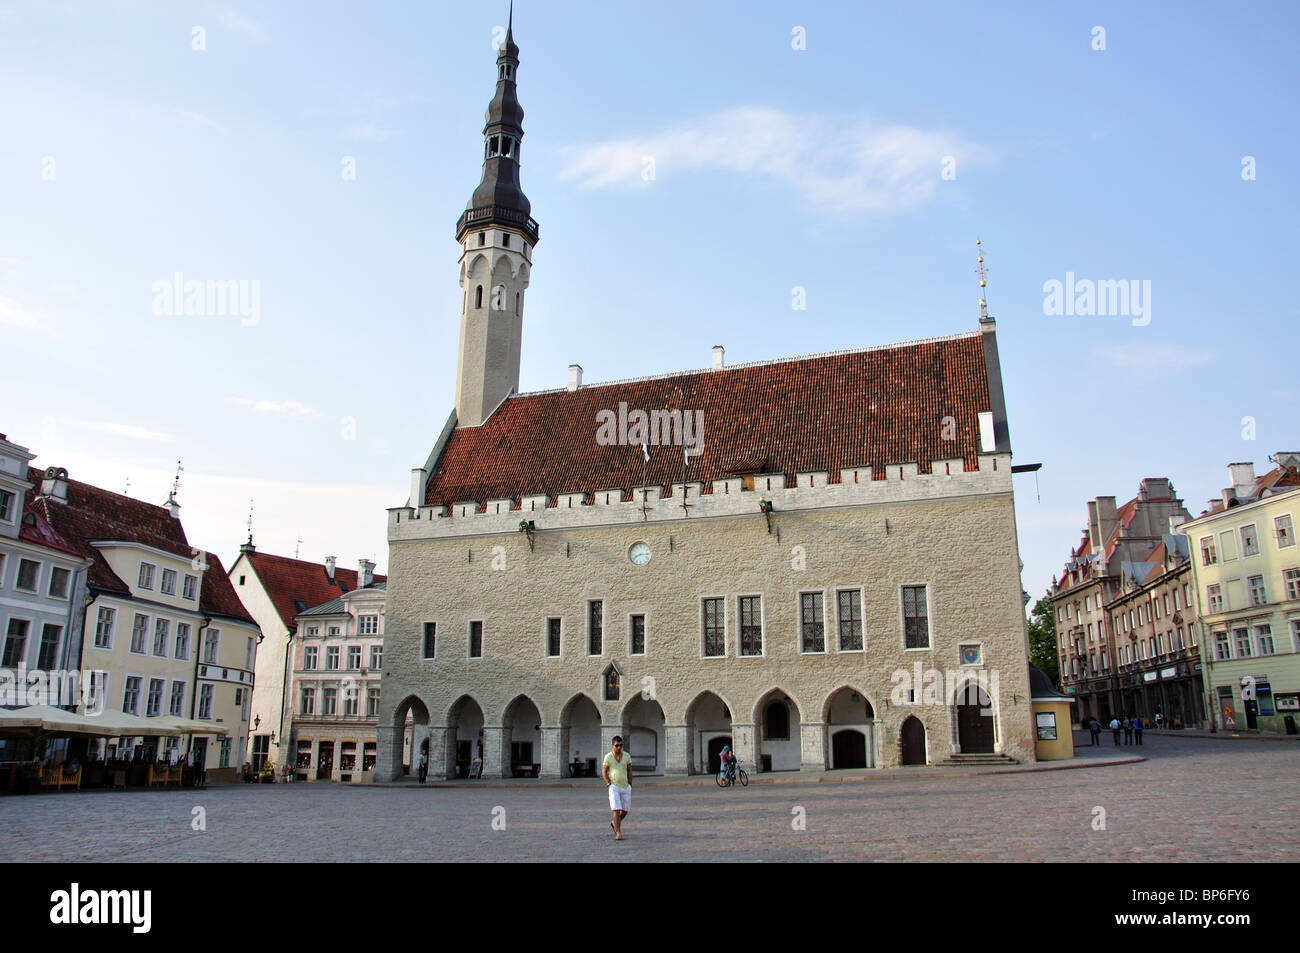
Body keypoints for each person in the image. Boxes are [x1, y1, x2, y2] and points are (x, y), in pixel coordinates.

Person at [602, 735, 632, 840]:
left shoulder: (627, 756)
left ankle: (614, 823)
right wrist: (608, 784)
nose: (619, 747)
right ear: (612, 746)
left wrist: (630, 784)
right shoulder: (608, 757)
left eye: (620, 745)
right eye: (617, 745)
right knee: (616, 809)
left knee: (625, 810)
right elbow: (604, 771)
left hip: (625, 786)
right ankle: (618, 832)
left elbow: (629, 770)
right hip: (614, 786)